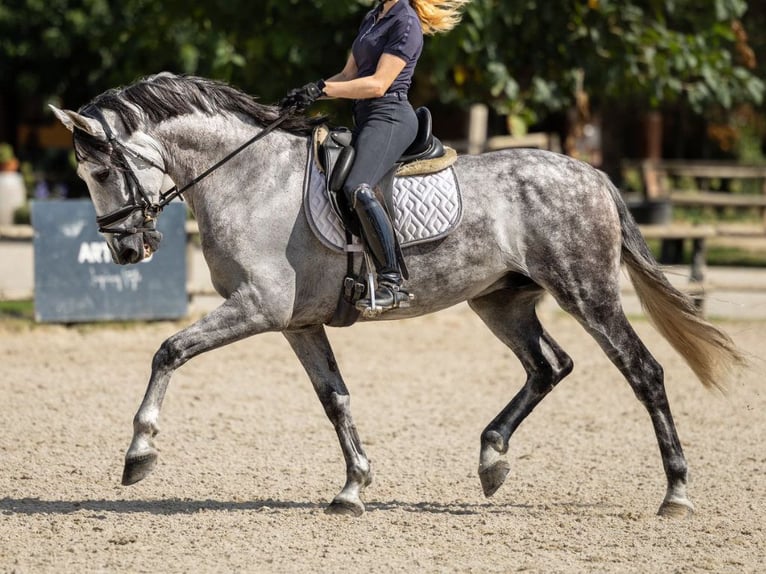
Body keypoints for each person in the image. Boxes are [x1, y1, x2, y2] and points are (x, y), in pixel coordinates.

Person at [281, 0, 468, 312]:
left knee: (358, 186)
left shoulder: (405, 22)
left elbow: (378, 84)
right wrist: (310, 93)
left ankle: (392, 282)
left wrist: (323, 87)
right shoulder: (372, 17)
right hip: (367, 119)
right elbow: (347, 74)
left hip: (391, 117)